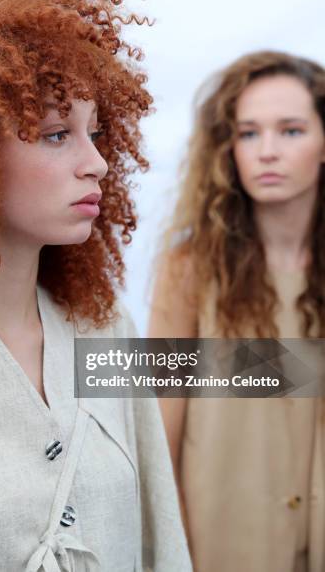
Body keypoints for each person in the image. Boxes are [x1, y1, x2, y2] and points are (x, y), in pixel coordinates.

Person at [0, 0, 192, 570]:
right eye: (54, 134)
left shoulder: (104, 327)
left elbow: (159, 536)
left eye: (96, 133)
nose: (96, 162)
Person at [149, 50, 325, 572]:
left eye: (290, 131)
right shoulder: (188, 270)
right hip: (221, 547)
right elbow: (158, 434)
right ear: (227, 148)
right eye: (248, 133)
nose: (267, 151)